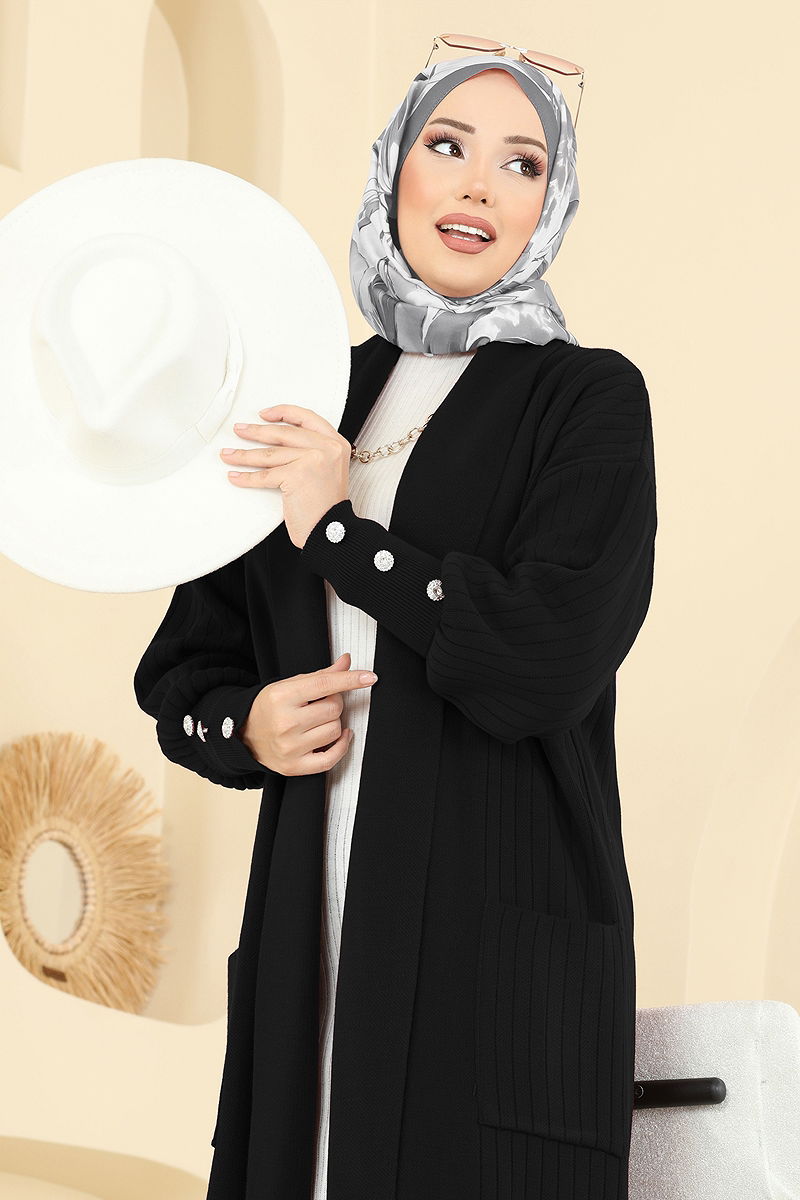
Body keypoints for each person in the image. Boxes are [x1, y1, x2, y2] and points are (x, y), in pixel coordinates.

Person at [134, 52, 657, 1200]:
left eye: (521, 163)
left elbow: (544, 661)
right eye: (446, 145)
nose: (476, 185)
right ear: (393, 168)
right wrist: (248, 725)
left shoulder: (584, 401)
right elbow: (181, 676)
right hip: (308, 951)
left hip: (489, 973)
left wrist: (339, 533)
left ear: (550, 203)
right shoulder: (302, 397)